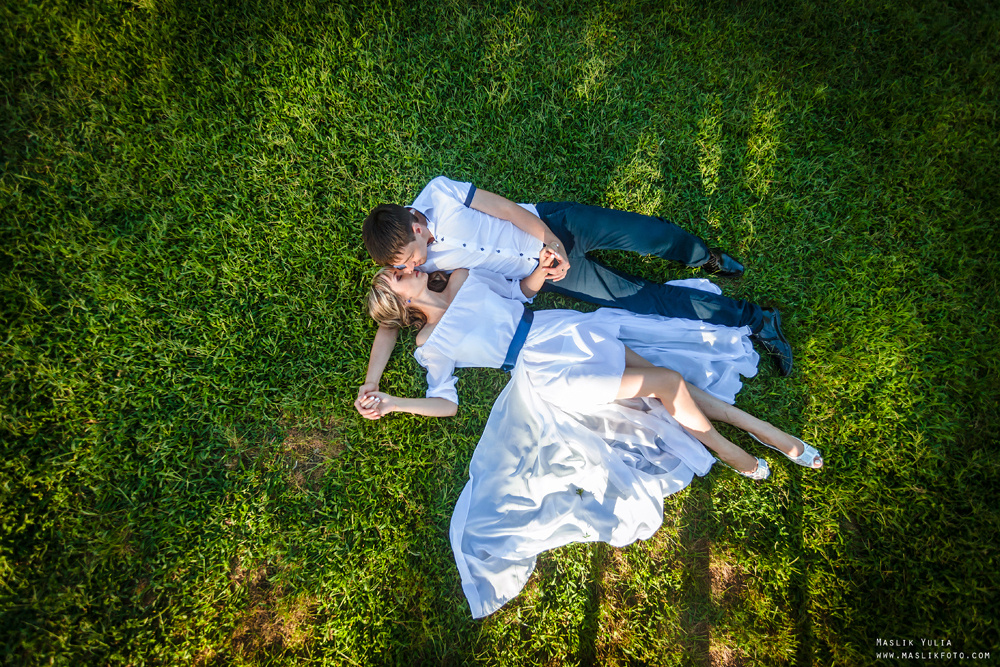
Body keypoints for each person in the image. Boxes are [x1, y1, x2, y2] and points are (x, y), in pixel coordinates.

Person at [359, 251, 822, 618]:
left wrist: (540, 272)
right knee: (667, 384)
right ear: (402, 305)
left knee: (675, 381)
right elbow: (447, 403)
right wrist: (391, 400)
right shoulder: (429, 344)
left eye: (399, 267)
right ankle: (731, 450)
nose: (406, 267)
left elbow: (519, 292)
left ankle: (765, 432)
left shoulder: (460, 276)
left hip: (561, 329)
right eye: (397, 276)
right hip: (544, 371)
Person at [356, 177, 794, 420]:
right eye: (404, 268)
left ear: (416, 227)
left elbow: (506, 208)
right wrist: (372, 382)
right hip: (550, 274)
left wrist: (551, 239)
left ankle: (704, 256)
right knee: (647, 300)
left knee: (651, 235)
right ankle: (757, 320)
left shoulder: (440, 193)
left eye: (408, 259)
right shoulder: (420, 273)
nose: (411, 268)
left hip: (556, 225)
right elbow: (389, 321)